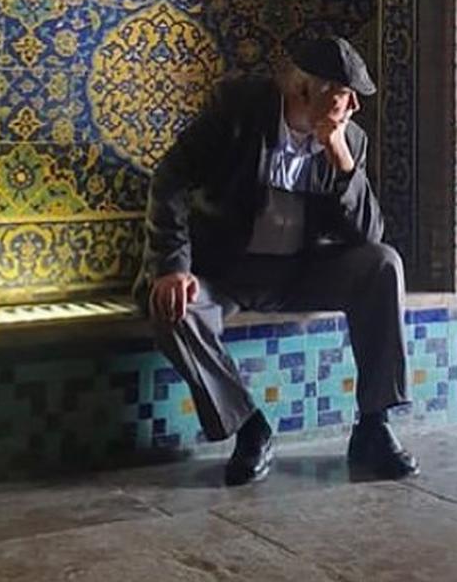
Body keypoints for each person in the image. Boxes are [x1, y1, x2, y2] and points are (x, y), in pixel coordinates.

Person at [139, 35, 418, 485]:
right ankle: (250, 428)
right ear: (306, 89)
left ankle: (373, 426)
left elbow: (369, 234)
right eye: (345, 94)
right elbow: (170, 178)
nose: (353, 108)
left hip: (300, 272)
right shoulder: (238, 111)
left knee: (383, 263)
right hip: (224, 271)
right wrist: (172, 265)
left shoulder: (351, 140)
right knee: (173, 308)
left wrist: (341, 157)